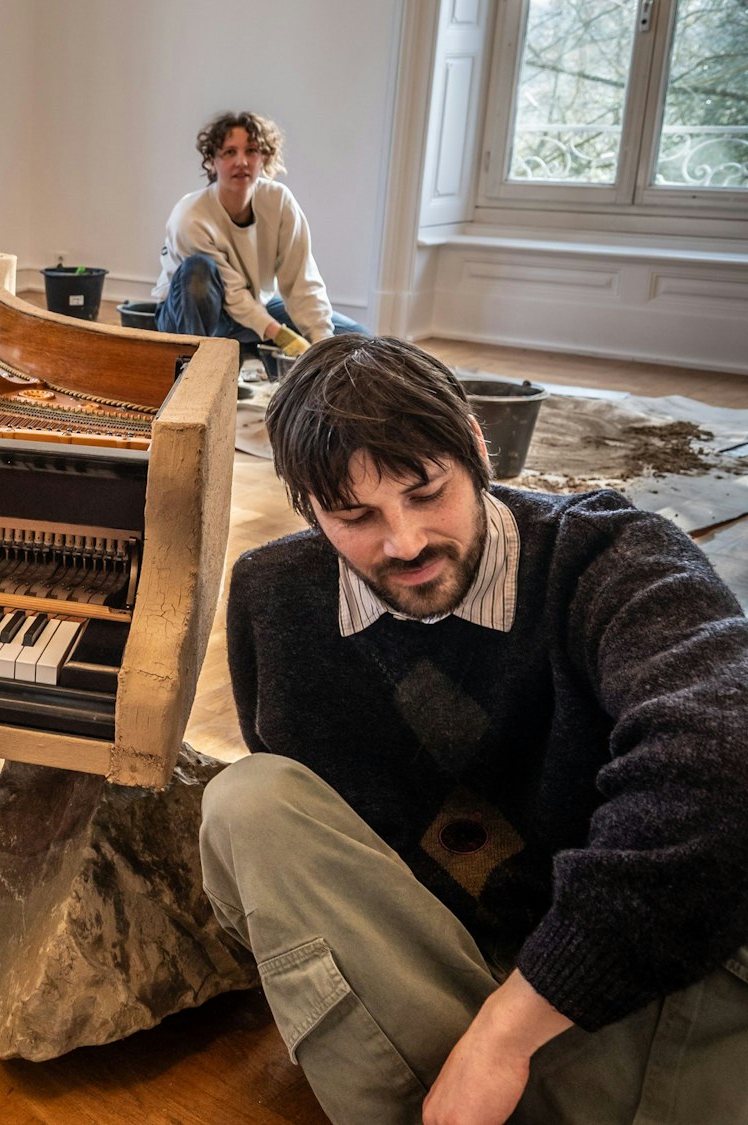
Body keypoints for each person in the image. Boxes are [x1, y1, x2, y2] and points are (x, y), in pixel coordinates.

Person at [202, 334, 748, 1124]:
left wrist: (505, 1034)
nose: (405, 541)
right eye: (354, 515)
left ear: (477, 446)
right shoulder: (278, 599)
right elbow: (318, 863)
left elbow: (725, 762)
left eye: (427, 491)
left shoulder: (609, 557)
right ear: (308, 508)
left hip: (621, 960)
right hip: (446, 962)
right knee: (246, 803)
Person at [152, 111, 366, 361]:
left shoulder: (279, 202)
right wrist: (282, 336)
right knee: (198, 271)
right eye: (230, 152)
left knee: (357, 340)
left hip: (253, 310)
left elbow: (302, 281)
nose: (241, 161)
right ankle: (194, 371)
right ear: (212, 161)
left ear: (264, 157)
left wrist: (321, 345)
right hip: (186, 317)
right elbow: (232, 294)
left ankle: (244, 349)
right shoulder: (190, 217)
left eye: (251, 151)